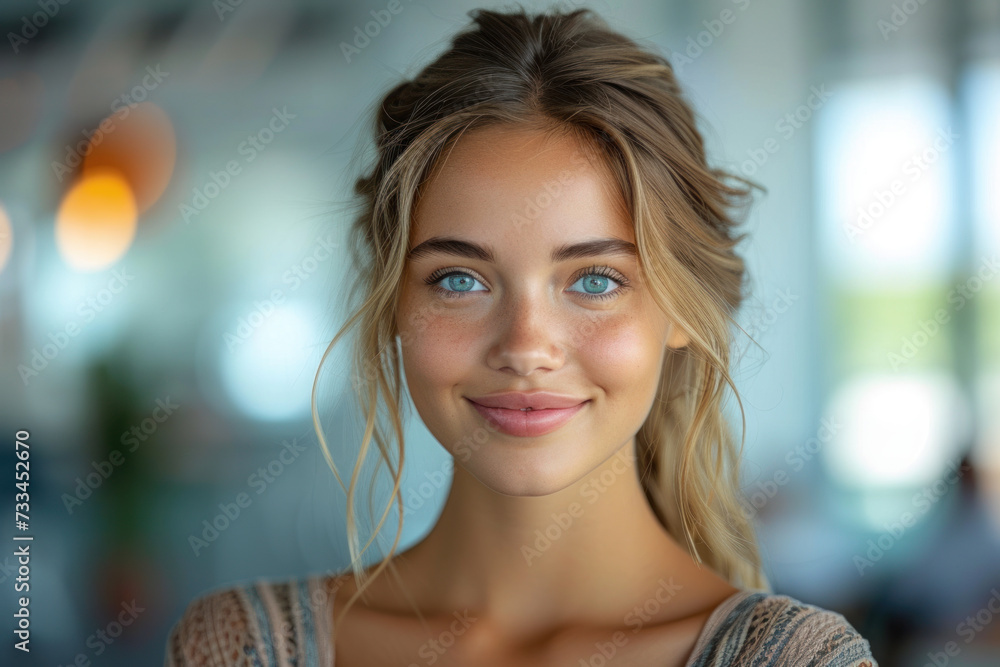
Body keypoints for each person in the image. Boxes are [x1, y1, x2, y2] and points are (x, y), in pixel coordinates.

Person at [166, 6, 878, 666]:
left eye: (595, 279)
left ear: (684, 308)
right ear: (391, 303)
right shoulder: (239, 648)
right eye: (459, 279)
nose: (526, 345)